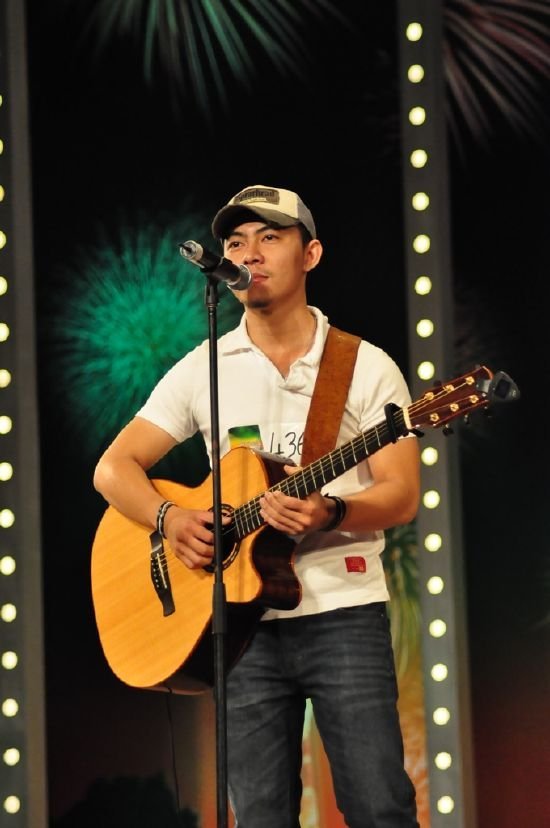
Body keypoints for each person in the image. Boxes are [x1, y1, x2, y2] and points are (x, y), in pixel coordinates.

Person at [93, 184, 421, 827]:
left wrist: (331, 513)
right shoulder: (206, 366)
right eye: (237, 241)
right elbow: (113, 468)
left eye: (270, 237)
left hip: (344, 612)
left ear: (311, 254)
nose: (250, 253)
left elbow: (401, 494)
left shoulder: (363, 365)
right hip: (238, 625)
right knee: (260, 817)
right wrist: (172, 519)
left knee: (379, 807)